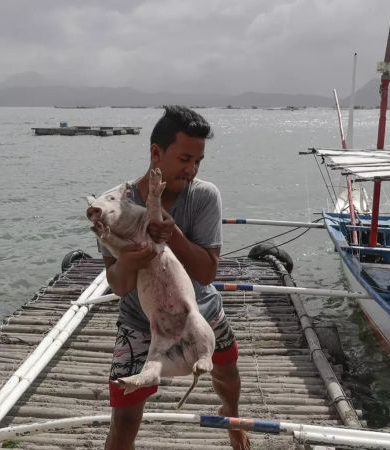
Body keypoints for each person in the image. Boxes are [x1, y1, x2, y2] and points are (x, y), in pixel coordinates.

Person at [99, 106, 249, 450]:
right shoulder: (113, 205)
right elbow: (119, 286)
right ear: (156, 152)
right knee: (123, 420)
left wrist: (174, 235)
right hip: (140, 321)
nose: (192, 169)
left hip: (202, 312)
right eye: (184, 159)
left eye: (198, 161)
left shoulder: (204, 195)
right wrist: (129, 260)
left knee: (226, 374)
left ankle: (232, 416)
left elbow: (207, 272)